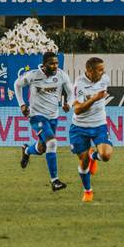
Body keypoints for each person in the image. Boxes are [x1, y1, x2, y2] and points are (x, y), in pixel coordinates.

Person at [16, 51, 73, 193]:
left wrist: (69, 104)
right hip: (36, 116)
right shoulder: (33, 75)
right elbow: (17, 84)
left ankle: (27, 150)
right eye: (52, 63)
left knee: (42, 148)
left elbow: (71, 92)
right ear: (44, 64)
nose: (55, 66)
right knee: (52, 142)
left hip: (53, 117)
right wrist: (22, 104)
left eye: (56, 63)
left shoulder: (61, 75)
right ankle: (55, 181)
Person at [70, 57, 112, 203]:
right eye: (100, 70)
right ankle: (88, 191)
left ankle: (94, 155)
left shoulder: (105, 79)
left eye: (103, 69)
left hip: (99, 124)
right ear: (89, 71)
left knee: (106, 155)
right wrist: (94, 98)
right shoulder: (79, 84)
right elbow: (77, 110)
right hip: (80, 127)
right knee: (83, 161)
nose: (103, 72)